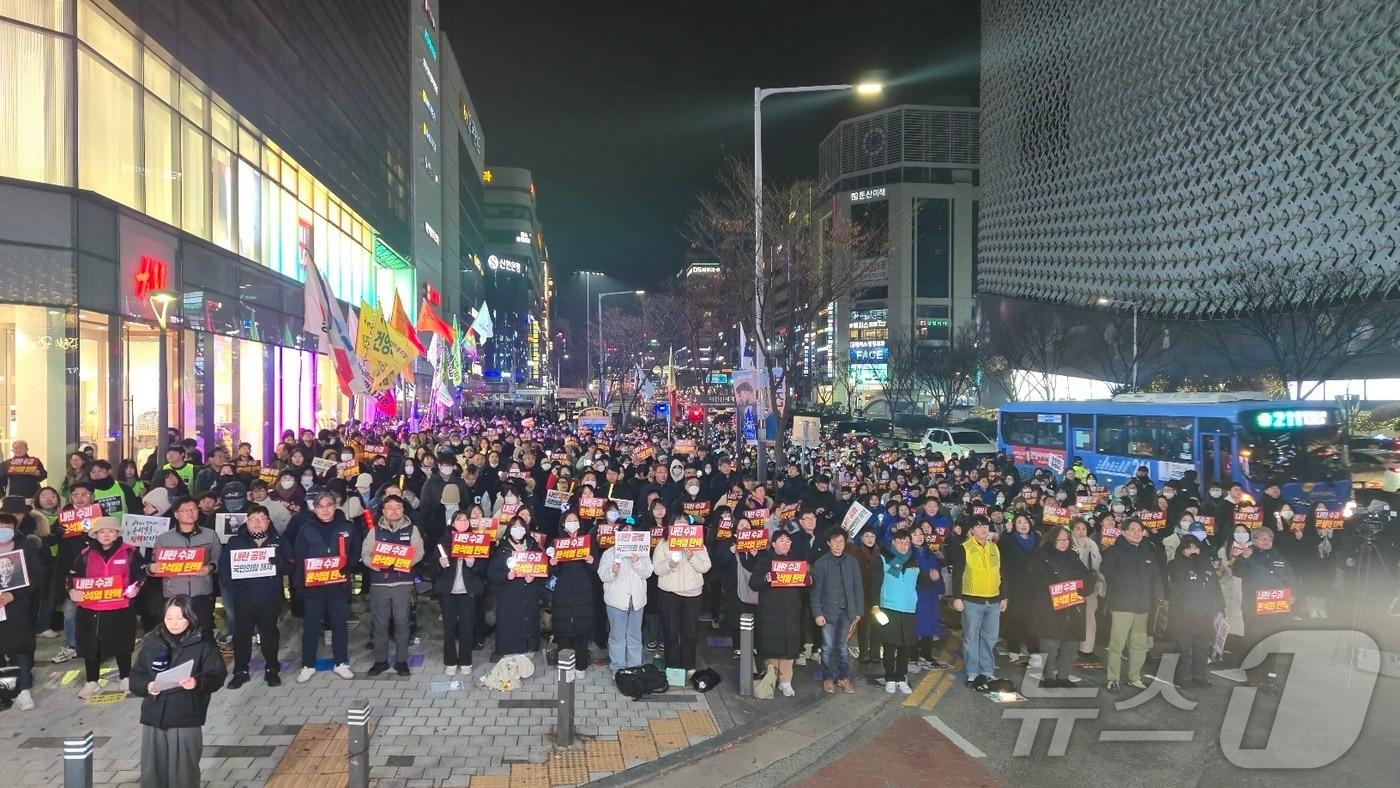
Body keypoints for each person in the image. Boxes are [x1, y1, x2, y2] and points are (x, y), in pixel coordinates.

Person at [131, 595, 228, 788]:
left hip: (185, 717)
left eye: (179, 618)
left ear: (190, 618)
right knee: (153, 772)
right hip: (154, 717)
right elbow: (136, 676)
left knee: (184, 774)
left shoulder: (202, 644)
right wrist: (147, 686)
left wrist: (197, 682)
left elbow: (217, 675)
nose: (173, 623)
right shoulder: (152, 641)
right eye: (169, 618)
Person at [68, 517, 145, 698]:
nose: (106, 535)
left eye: (111, 531)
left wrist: (135, 588)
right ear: (95, 534)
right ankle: (92, 681)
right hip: (91, 608)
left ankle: (125, 678)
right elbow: (71, 577)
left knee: (123, 644)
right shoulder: (86, 554)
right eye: (102, 532)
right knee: (90, 645)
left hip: (121, 606)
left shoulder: (130, 552)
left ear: (118, 533)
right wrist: (72, 591)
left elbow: (141, 575)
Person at [219, 505, 286, 688]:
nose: (257, 523)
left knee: (269, 635)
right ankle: (241, 671)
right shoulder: (235, 542)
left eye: (261, 518)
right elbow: (224, 570)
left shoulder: (279, 540)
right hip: (243, 599)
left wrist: (280, 564)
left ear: (268, 521)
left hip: (269, 597)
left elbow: (292, 565)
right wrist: (235, 588)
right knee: (242, 636)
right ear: (246, 522)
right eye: (253, 519)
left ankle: (272, 669)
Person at [293, 492, 357, 683]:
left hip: (338, 584)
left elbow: (355, 552)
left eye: (329, 505)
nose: (325, 509)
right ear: (315, 508)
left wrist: (348, 568)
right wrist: (300, 586)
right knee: (311, 626)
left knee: (339, 625)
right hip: (314, 586)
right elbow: (299, 557)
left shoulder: (347, 527)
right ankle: (308, 665)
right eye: (320, 506)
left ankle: (340, 663)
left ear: (335, 505)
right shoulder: (306, 529)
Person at [1099, 519, 1164, 691]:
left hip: (1143, 605)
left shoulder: (1148, 553)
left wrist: (1159, 596)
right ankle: (1112, 678)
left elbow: (1156, 577)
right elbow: (1105, 571)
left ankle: (1134, 676)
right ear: (1123, 532)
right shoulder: (1114, 551)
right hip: (1122, 604)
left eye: (1139, 530)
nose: (1136, 532)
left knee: (1139, 644)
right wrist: (1106, 553)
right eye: (1132, 529)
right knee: (1117, 644)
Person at [361, 494, 423, 676]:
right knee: (379, 624)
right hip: (380, 584)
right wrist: (373, 564)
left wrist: (405, 562)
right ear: (383, 510)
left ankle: (401, 661)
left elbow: (419, 551)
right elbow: (366, 552)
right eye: (390, 507)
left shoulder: (412, 529)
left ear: (403, 509)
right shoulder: (375, 531)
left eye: (398, 507)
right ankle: (380, 661)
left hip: (403, 583)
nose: (394, 511)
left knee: (402, 624)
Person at [1233, 526, 1295, 694]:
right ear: (1253, 540)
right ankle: (1253, 675)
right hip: (1254, 608)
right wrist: (1243, 558)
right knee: (1253, 640)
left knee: (1273, 642)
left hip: (1276, 608)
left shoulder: (1279, 556)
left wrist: (1293, 595)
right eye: (1262, 538)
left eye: (1269, 538)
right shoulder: (1248, 555)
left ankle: (1271, 676)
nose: (1266, 541)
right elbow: (1237, 572)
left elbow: (1291, 577)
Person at [1030, 526, 1094, 688]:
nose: (1063, 543)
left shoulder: (1073, 557)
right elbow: (1033, 582)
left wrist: (1083, 587)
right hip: (1049, 607)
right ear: (1052, 540)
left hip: (1072, 607)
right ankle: (1049, 676)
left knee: (1071, 645)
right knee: (1050, 645)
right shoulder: (1041, 557)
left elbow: (1086, 578)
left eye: (1066, 540)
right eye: (1060, 540)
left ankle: (1064, 676)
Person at [152, 497, 221, 641]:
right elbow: (155, 563)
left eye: (194, 509)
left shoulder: (210, 534)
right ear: (176, 514)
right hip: (174, 595)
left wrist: (209, 568)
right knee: (177, 635)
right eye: (186, 510)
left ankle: (205, 662)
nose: (191, 513)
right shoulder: (163, 539)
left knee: (205, 633)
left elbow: (218, 559)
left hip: (202, 592)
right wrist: (154, 567)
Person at [949, 518, 1005, 691]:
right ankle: (973, 671)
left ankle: (987, 671)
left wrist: (1004, 596)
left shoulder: (994, 548)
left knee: (990, 638)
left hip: (994, 599)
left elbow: (1001, 574)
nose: (983, 529)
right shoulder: (964, 548)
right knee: (971, 637)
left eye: (985, 526)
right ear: (972, 530)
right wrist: (957, 597)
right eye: (979, 526)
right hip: (972, 599)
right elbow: (957, 574)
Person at [653, 513, 712, 677]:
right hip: (669, 594)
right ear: (671, 526)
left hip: (692, 594)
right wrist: (670, 564)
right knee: (671, 631)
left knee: (690, 632)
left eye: (685, 522)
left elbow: (706, 566)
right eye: (678, 522)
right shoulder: (663, 544)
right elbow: (657, 569)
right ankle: (672, 668)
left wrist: (691, 556)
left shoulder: (698, 545)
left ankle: (689, 666)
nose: (682, 525)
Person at [750, 530, 805, 697]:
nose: (786, 544)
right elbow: (753, 583)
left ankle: (786, 682)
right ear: (773, 544)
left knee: (790, 645)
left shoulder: (796, 563)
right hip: (770, 611)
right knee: (772, 645)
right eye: (781, 540)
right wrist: (766, 578)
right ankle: (771, 678)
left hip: (791, 610)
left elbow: (807, 583)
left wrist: (808, 578)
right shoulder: (764, 562)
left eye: (788, 541)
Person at [1166, 534, 1224, 689]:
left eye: (1196, 547)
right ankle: (1182, 677)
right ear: (1182, 549)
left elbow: (1215, 586)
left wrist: (1220, 606)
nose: (1193, 550)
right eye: (1189, 547)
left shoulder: (1206, 564)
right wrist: (1190, 561)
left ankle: (1200, 676)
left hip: (1205, 612)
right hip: (1184, 613)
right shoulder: (1175, 564)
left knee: (1202, 646)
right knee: (1183, 647)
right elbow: (1176, 580)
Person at [0, 512, 45, 710]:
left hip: (19, 607)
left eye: (7, 527)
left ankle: (24, 689)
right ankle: (6, 690)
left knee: (21, 647)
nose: (3, 531)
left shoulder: (25, 547)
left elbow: (37, 577)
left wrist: (14, 595)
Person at [810, 529, 864, 693]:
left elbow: (858, 587)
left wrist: (859, 612)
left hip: (847, 612)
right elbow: (815, 591)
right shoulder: (821, 563)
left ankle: (843, 678)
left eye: (841, 541)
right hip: (827, 612)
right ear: (828, 543)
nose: (838, 544)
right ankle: (827, 678)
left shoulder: (852, 561)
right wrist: (817, 613)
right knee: (826, 647)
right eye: (834, 541)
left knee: (842, 646)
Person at [435, 511, 488, 677]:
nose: (462, 523)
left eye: (465, 520)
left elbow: (483, 569)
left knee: (467, 628)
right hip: (448, 591)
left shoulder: (476, 540)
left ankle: (466, 660)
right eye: (459, 520)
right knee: (449, 628)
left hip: (468, 591)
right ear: (453, 523)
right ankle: (450, 661)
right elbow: (433, 569)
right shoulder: (443, 541)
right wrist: (441, 564)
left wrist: (473, 564)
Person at [488, 516, 546, 661]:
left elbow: (545, 569)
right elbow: (491, 574)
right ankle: (509, 653)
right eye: (514, 526)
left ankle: (529, 648)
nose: (517, 529)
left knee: (529, 621)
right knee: (510, 623)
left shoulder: (533, 547)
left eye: (520, 526)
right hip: (509, 596)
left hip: (529, 594)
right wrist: (506, 576)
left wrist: (534, 576)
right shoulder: (502, 549)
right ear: (509, 530)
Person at [599, 516, 653, 670]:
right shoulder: (610, 553)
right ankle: (618, 668)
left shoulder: (641, 552)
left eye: (631, 531)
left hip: (637, 601)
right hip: (616, 602)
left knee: (635, 636)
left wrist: (636, 561)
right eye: (625, 532)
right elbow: (602, 575)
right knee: (617, 637)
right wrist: (612, 570)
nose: (628, 534)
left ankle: (634, 667)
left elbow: (648, 572)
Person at [549, 511, 598, 677]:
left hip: (583, 589)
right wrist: (553, 564)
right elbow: (551, 572)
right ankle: (565, 667)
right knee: (563, 630)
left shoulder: (588, 541)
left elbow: (596, 569)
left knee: (582, 630)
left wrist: (592, 562)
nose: (572, 523)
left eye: (575, 520)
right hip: (562, 591)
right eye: (568, 520)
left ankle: (581, 666)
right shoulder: (557, 543)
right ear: (563, 524)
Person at [877, 528, 919, 694]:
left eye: (907, 543)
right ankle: (889, 678)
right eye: (900, 542)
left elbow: (920, 582)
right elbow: (875, 584)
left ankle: (901, 677)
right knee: (889, 646)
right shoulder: (883, 559)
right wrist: (875, 605)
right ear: (893, 542)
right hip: (889, 607)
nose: (904, 546)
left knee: (905, 647)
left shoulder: (914, 561)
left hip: (909, 608)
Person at [1068, 518, 1104, 663]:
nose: (1081, 531)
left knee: (1090, 618)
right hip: (1071, 586)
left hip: (1089, 586)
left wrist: (1099, 581)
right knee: (1069, 617)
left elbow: (1098, 565)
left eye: (1083, 528)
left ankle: (1086, 649)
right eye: (1078, 529)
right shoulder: (1067, 543)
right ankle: (1067, 648)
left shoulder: (1092, 544)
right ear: (1072, 530)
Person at [851, 527, 883, 664]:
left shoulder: (880, 552)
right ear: (861, 538)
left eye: (872, 536)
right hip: (861, 592)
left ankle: (875, 653)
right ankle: (863, 653)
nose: (870, 539)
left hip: (877, 592)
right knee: (863, 624)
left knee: (877, 623)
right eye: (867, 536)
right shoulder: (855, 552)